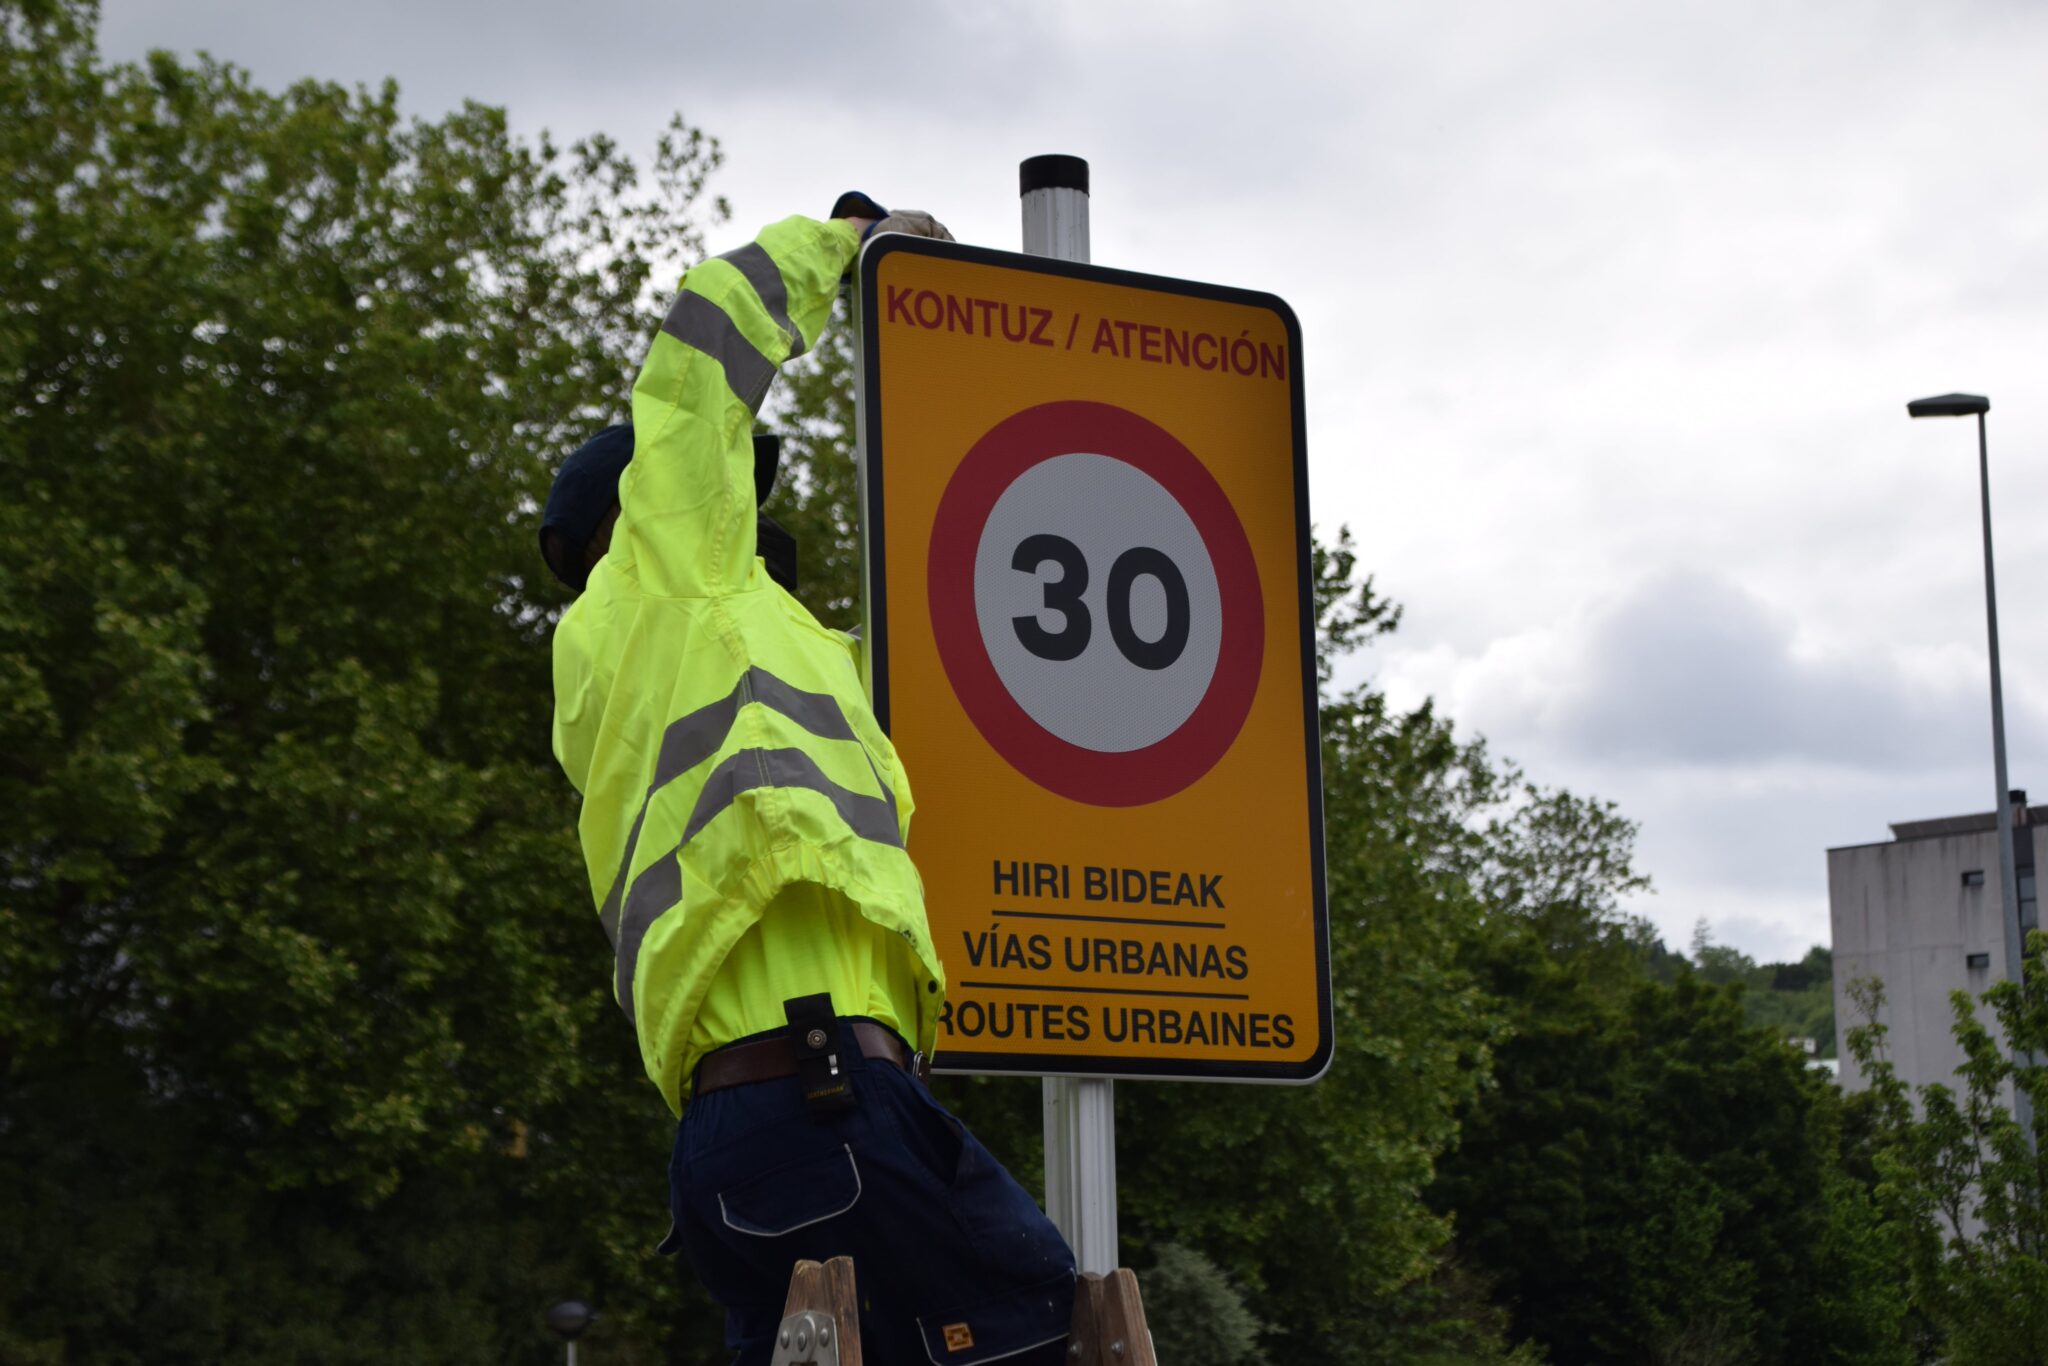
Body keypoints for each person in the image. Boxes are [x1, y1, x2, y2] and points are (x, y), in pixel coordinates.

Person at [542, 193, 1076, 1365]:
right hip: (821, 1099)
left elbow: (927, 693)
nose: (747, 495)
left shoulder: (661, 662)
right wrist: (852, 234)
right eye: (731, 478)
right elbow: (704, 344)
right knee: (1038, 1315)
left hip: (748, 1133)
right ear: (639, 513)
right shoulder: (666, 572)